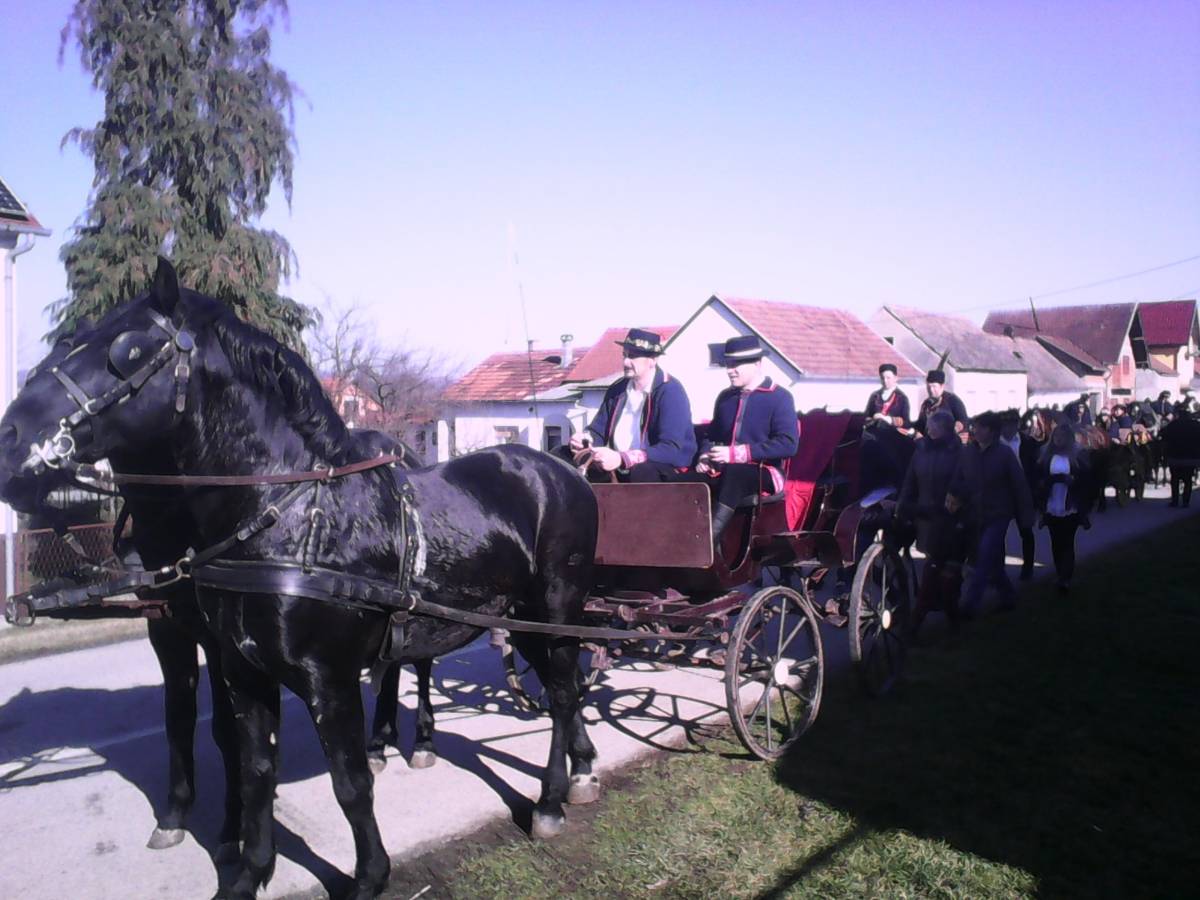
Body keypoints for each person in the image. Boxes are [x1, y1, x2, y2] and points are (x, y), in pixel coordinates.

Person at [689, 335, 799, 547]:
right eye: (728, 364)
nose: (730, 370)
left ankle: (704, 546)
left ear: (757, 364)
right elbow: (711, 436)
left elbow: (788, 444)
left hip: (766, 472)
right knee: (685, 481)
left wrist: (735, 454)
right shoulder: (725, 397)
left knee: (735, 473)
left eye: (736, 364)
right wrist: (704, 456)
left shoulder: (780, 397)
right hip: (724, 470)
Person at [567, 328, 696, 482]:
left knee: (640, 471)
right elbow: (598, 431)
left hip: (659, 469)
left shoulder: (670, 391)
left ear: (653, 360)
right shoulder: (617, 389)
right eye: (625, 355)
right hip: (616, 465)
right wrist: (584, 439)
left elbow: (671, 449)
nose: (626, 362)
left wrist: (623, 458)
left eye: (633, 356)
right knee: (560, 456)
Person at [949, 411, 1034, 617]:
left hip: (998, 514)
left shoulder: (1004, 454)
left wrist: (1025, 516)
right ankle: (1008, 596)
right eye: (975, 426)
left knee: (984, 555)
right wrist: (954, 496)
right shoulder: (968, 452)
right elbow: (957, 479)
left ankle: (970, 605)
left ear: (992, 431)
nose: (976, 430)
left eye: (981, 427)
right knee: (993, 562)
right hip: (975, 513)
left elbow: (1019, 485)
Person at [897, 410, 967, 636]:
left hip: (951, 520)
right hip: (926, 517)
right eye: (928, 426)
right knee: (934, 565)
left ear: (944, 429)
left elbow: (962, 483)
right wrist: (903, 505)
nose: (928, 430)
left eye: (932, 427)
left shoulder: (959, 452)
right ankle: (945, 615)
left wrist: (953, 502)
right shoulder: (921, 450)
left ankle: (923, 618)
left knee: (941, 571)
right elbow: (910, 480)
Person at [1034, 422, 1093, 593]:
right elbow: (1038, 478)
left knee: (1067, 541)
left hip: (1070, 505)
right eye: (1056, 437)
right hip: (1052, 504)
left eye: (1062, 437)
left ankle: (1065, 577)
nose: (1058, 440)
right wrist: (1044, 484)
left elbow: (1087, 481)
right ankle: (1060, 572)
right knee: (1056, 542)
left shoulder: (1078, 457)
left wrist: (1073, 481)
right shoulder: (1046, 456)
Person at [999, 408, 1038, 580]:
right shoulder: (995, 443)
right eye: (1005, 424)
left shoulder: (1028, 442)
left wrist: (1034, 492)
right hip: (1002, 492)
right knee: (999, 532)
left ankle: (1028, 566)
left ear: (1017, 425)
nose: (1008, 428)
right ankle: (999, 568)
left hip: (1022, 491)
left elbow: (1034, 468)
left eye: (1012, 424)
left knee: (1026, 530)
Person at [914, 369, 969, 438]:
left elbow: (963, 422)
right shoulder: (926, 404)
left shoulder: (953, 401)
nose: (931, 390)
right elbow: (920, 424)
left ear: (942, 386)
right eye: (928, 386)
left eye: (934, 386)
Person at [864, 363, 911, 430]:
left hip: (893, 433)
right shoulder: (874, 396)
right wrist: (873, 418)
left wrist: (888, 419)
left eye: (888, 378)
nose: (885, 381)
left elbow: (906, 423)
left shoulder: (902, 398)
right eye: (882, 378)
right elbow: (866, 416)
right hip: (874, 433)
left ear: (896, 378)